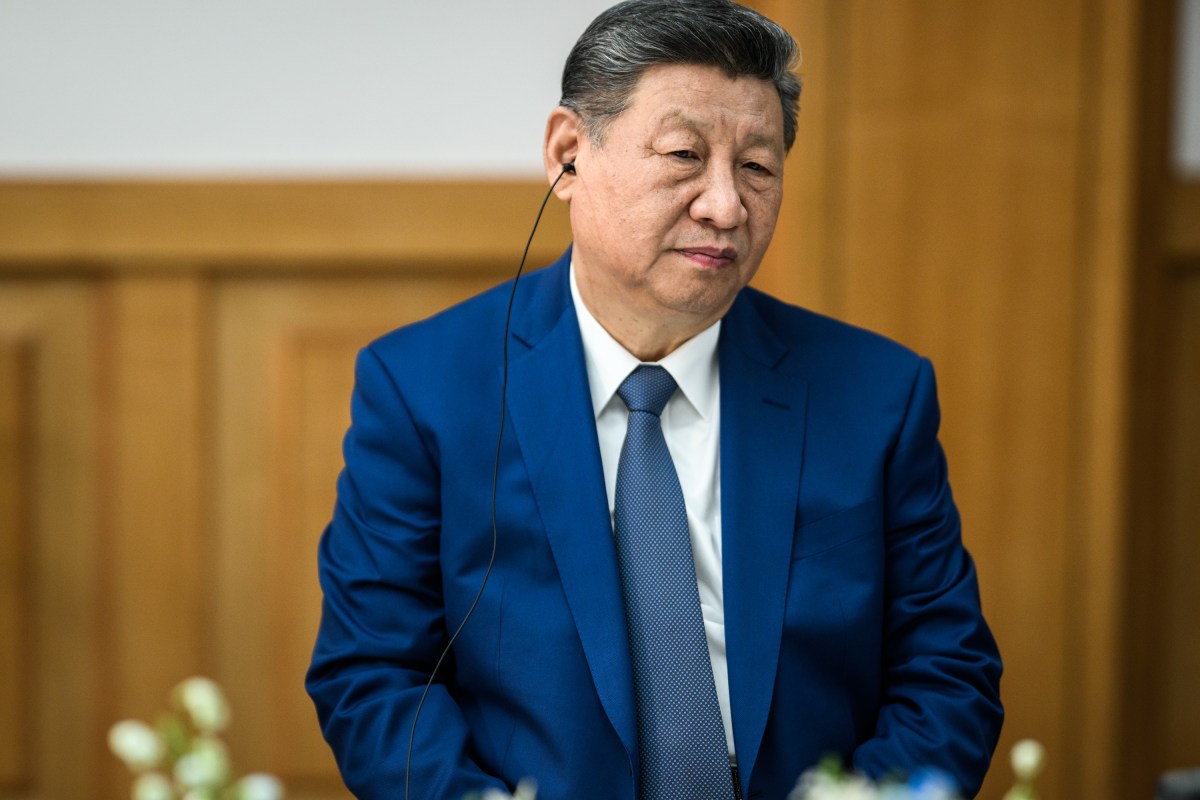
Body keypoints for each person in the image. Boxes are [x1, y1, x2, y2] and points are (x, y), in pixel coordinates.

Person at [306, 1, 1003, 798]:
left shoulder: (877, 394)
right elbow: (376, 678)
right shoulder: (423, 387)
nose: (726, 206)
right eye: (683, 154)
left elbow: (947, 676)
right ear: (570, 154)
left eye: (758, 167)